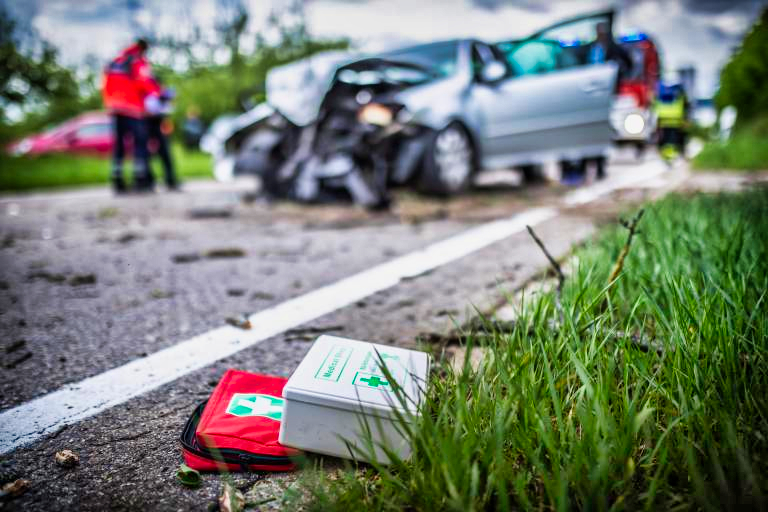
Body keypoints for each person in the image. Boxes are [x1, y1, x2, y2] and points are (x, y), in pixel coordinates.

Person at [102, 38, 160, 193]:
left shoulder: (115, 62)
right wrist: (158, 94)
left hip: (115, 108)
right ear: (143, 49)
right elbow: (146, 83)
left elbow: (105, 84)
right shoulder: (138, 62)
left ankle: (117, 180)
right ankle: (141, 179)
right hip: (133, 108)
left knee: (119, 147)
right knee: (140, 144)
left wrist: (110, 104)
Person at [145, 86, 180, 190]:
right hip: (149, 128)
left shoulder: (164, 101)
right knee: (147, 155)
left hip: (159, 129)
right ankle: (148, 179)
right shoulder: (151, 98)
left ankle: (170, 179)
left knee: (165, 154)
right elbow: (150, 112)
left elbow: (167, 112)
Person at [653, 82, 689, 159]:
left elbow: (654, 107)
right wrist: (685, 120)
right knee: (676, 141)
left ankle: (666, 155)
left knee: (664, 140)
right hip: (676, 122)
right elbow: (686, 107)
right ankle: (674, 154)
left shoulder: (659, 94)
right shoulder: (680, 93)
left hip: (663, 122)